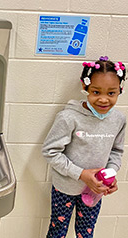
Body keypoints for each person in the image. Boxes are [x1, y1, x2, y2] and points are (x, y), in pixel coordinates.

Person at [42, 56, 126, 238]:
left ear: (120, 91)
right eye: (96, 92)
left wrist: (110, 174)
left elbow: (116, 151)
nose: (103, 99)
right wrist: (81, 174)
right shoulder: (68, 117)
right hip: (65, 187)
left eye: (111, 93)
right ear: (85, 87)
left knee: (86, 233)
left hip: (95, 190)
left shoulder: (119, 120)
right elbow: (50, 152)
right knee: (57, 231)